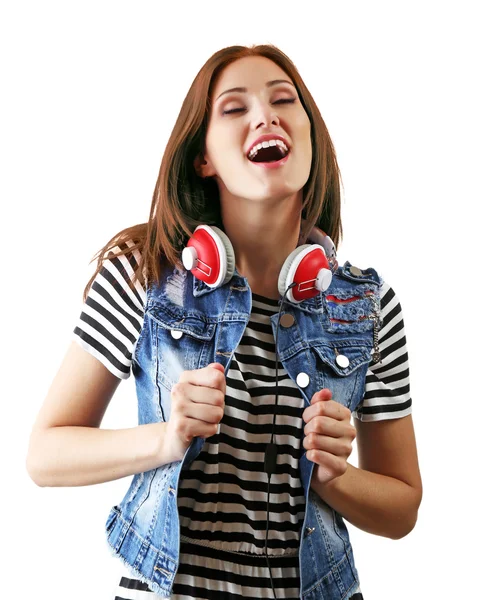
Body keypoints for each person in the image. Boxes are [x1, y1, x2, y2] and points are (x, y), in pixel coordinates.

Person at [26, 44, 423, 600]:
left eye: (284, 100)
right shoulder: (145, 278)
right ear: (203, 157)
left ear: (310, 139)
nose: (266, 115)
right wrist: (166, 438)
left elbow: (402, 507)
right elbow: (45, 456)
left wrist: (338, 475)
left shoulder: (368, 305)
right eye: (235, 108)